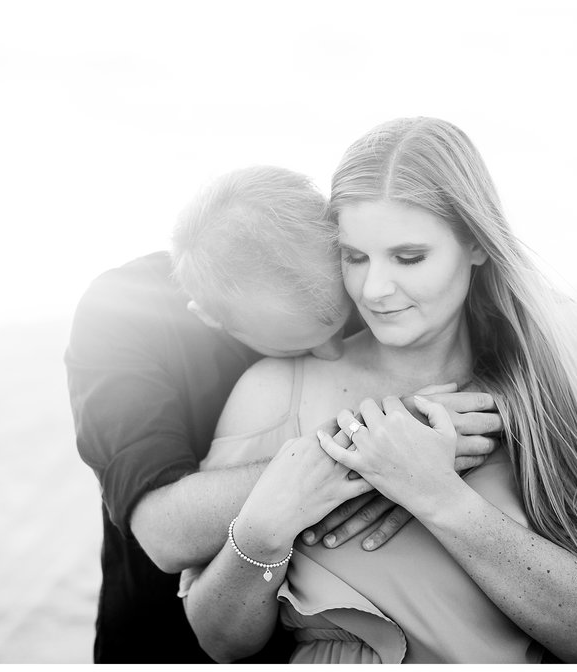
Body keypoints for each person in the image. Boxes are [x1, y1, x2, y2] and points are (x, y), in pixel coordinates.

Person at [181, 118, 577, 663]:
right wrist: (262, 531)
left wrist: (440, 497)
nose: (375, 289)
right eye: (354, 257)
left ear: (477, 244)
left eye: (409, 257)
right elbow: (219, 643)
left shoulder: (537, 390)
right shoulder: (274, 390)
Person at [64, 166, 502, 662]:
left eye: (342, 324)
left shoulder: (347, 268)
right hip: (165, 644)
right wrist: (383, 436)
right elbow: (165, 532)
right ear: (211, 319)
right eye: (307, 345)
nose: (337, 352)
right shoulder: (122, 315)